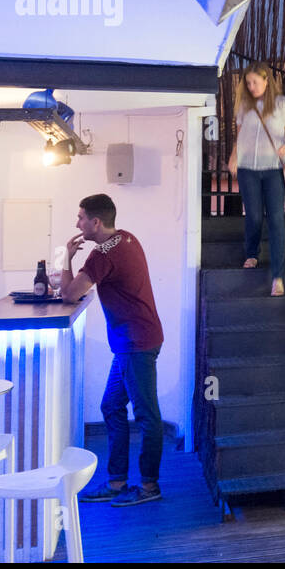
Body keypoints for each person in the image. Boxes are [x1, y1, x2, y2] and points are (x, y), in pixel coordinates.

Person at [62, 194, 166, 507]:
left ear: (95, 222)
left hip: (136, 344)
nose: (77, 223)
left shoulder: (100, 256)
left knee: (147, 415)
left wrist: (65, 258)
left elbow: (69, 294)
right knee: (111, 406)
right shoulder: (127, 239)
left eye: (80, 218)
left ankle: (149, 486)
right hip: (134, 340)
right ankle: (117, 482)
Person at [227, 61, 285, 296]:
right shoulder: (244, 106)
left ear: (267, 81)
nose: (251, 86)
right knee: (254, 216)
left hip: (273, 168)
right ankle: (252, 254)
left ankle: (277, 277)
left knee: (276, 219)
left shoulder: (282, 104)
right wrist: (234, 156)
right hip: (247, 168)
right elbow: (239, 137)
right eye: (248, 83)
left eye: (255, 82)